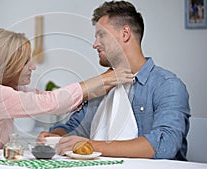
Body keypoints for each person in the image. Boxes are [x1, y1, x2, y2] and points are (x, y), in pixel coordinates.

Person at [0, 28, 133, 153]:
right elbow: (50, 103)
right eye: (25, 62)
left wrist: (99, 86)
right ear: (6, 66)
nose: (32, 67)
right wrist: (103, 79)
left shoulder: (0, 89)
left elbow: (47, 97)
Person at [38, 1, 190, 161]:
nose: (95, 44)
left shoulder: (167, 85)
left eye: (101, 35)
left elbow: (165, 145)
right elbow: (75, 128)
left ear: (125, 34)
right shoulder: (104, 85)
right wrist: (55, 136)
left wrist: (91, 146)